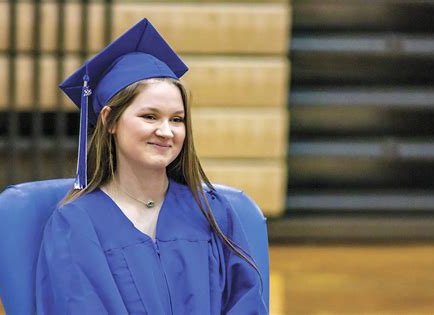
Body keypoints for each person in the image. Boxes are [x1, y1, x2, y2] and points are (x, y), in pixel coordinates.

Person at [35, 18, 267, 314]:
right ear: (109, 120)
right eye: (149, 116)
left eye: (177, 119)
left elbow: (247, 303)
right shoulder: (75, 224)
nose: (166, 131)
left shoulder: (212, 211)